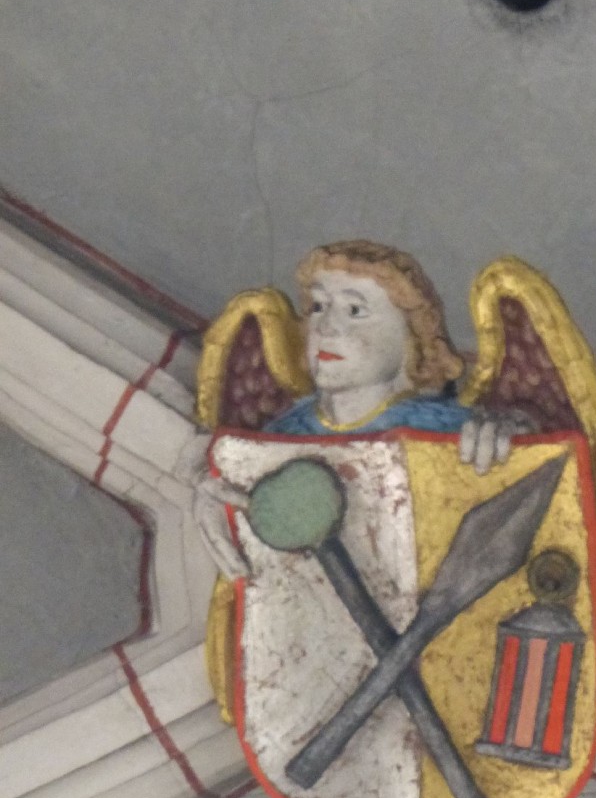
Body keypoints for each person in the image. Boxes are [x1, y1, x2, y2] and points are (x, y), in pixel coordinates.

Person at [193, 240, 532, 579]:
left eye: (355, 311)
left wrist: (513, 435)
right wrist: (213, 491)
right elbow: (235, 481)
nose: (326, 328)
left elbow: (531, 469)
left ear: (411, 338)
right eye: (319, 307)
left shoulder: (449, 431)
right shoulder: (280, 438)